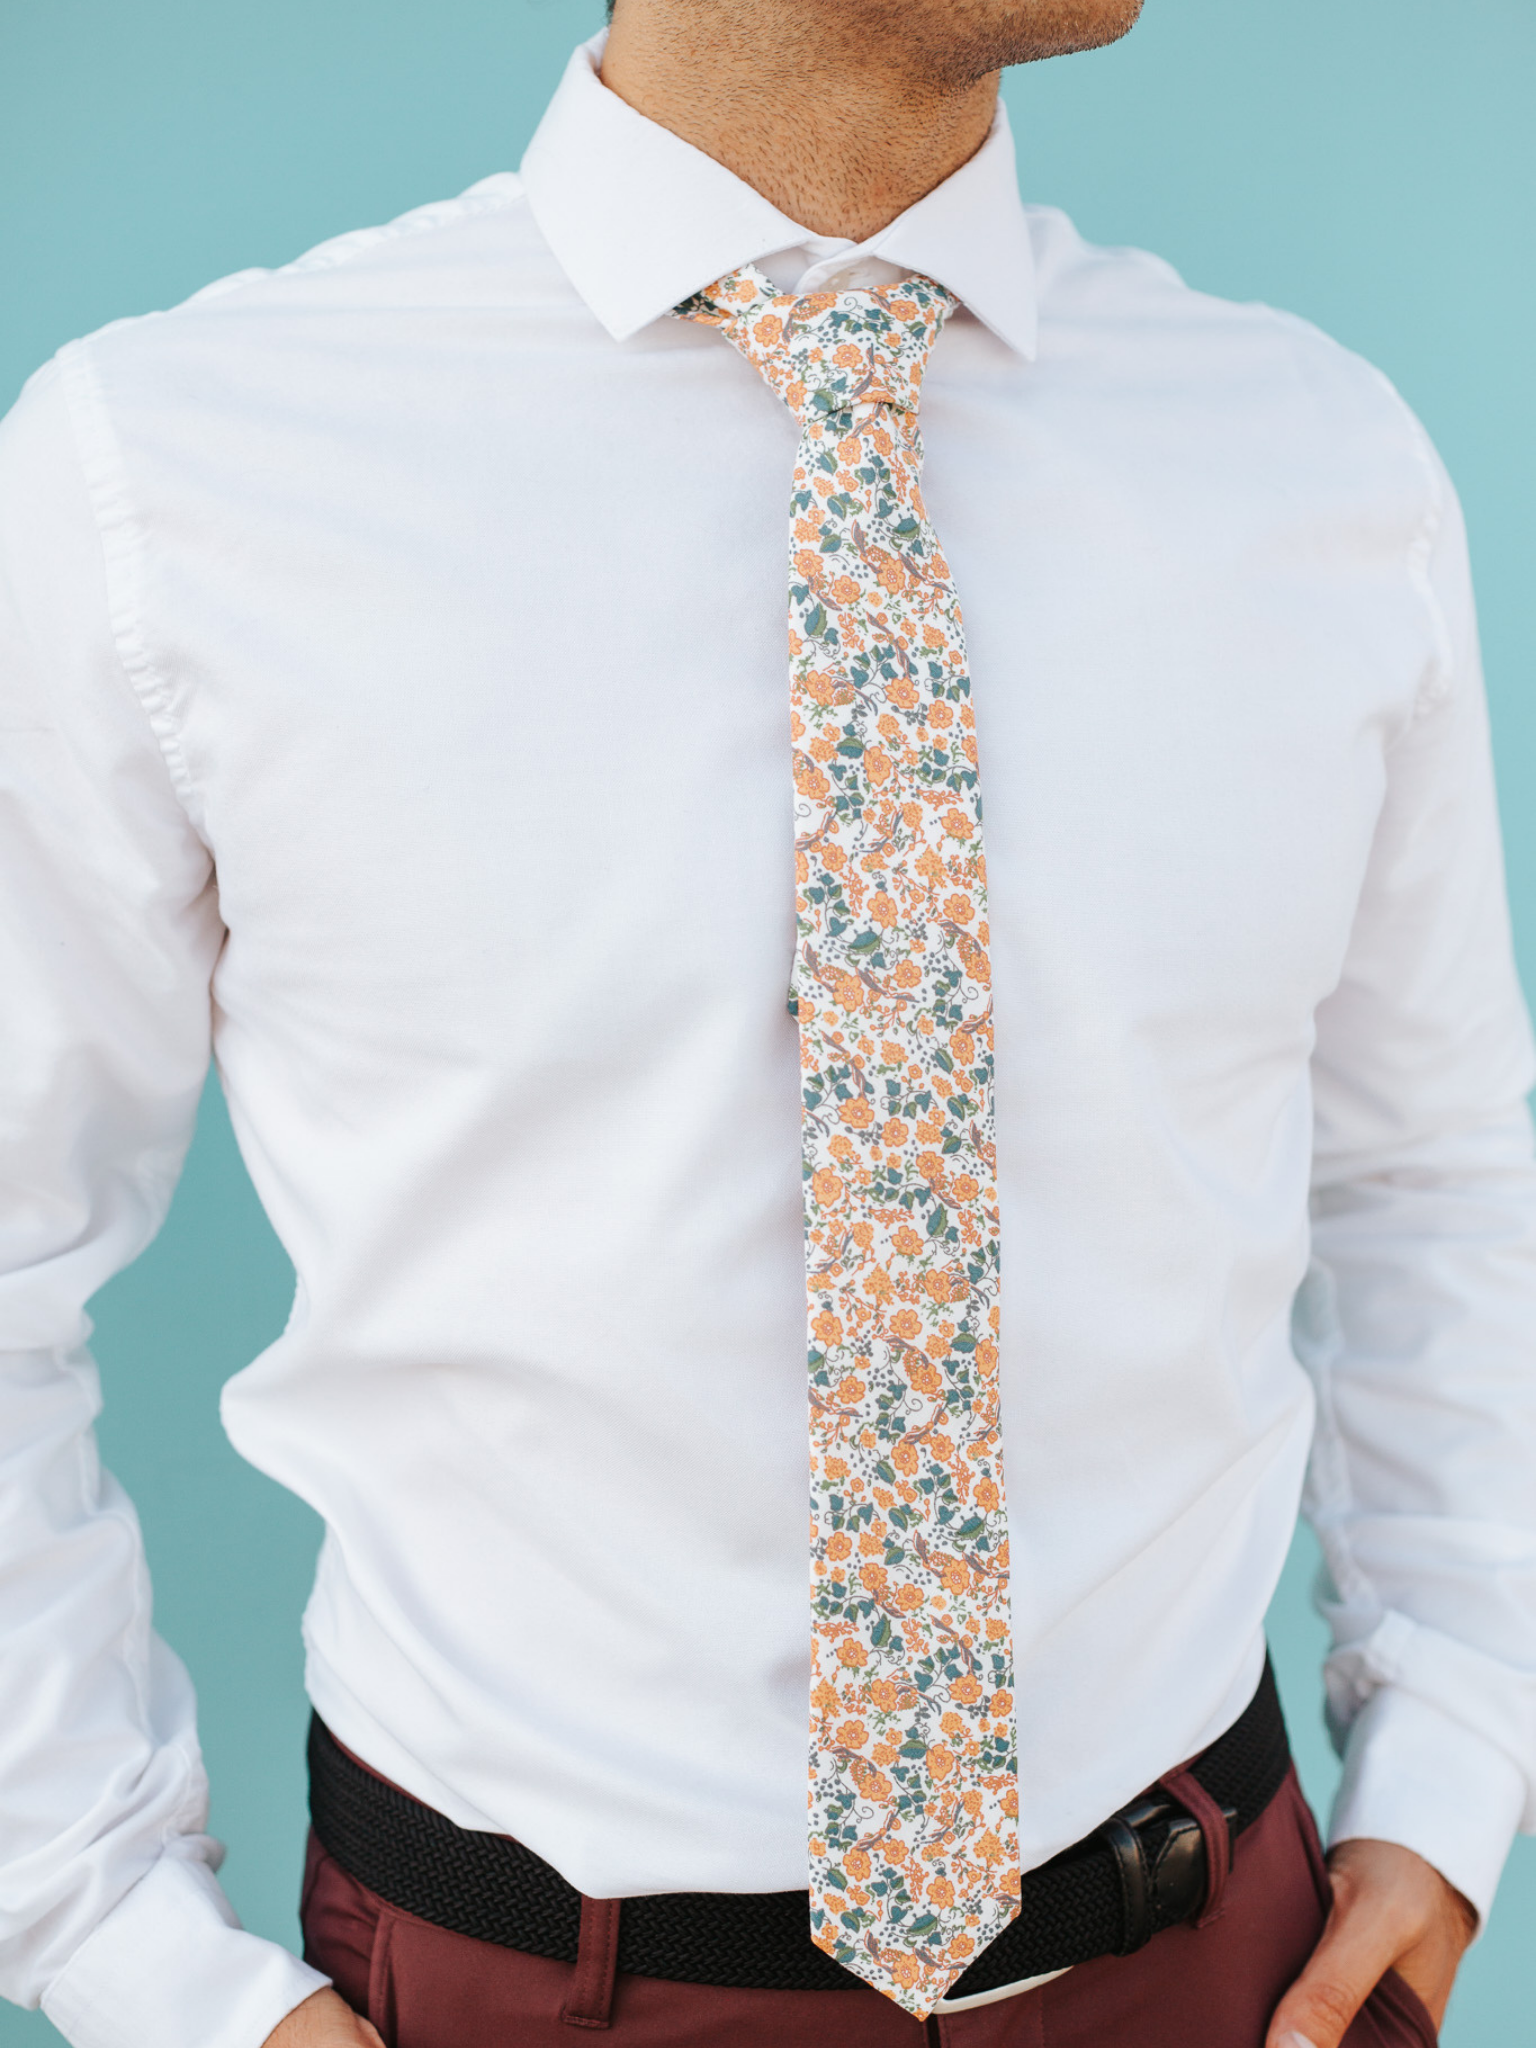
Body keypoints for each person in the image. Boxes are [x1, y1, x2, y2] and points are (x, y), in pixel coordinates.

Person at [1, 0, 1532, 2042]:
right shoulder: (169, 482)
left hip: (1219, 1958)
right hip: (519, 1987)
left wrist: (1448, 1771)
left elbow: (1438, 1178)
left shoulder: (1317, 464)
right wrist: (135, 1963)